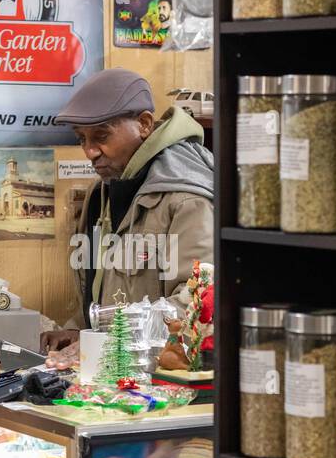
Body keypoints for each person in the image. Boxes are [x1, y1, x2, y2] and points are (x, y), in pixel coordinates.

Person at [46, 68, 213, 358]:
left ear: (145, 124)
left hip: (167, 379)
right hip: (113, 370)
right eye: (81, 139)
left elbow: (197, 304)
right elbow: (100, 288)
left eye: (101, 136)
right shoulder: (101, 194)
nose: (89, 151)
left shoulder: (186, 198)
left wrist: (107, 343)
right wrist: (79, 330)